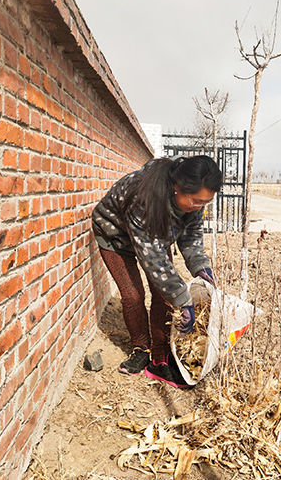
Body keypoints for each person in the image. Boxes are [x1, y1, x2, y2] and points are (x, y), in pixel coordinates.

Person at [91, 155, 222, 388]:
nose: (199, 207)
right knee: (133, 294)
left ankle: (160, 357)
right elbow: (154, 261)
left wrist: (201, 268)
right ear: (176, 187)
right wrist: (184, 300)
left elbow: (191, 239)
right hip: (115, 236)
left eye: (205, 202)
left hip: (154, 238)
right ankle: (141, 347)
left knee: (163, 294)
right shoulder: (143, 196)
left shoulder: (193, 202)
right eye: (196, 201)